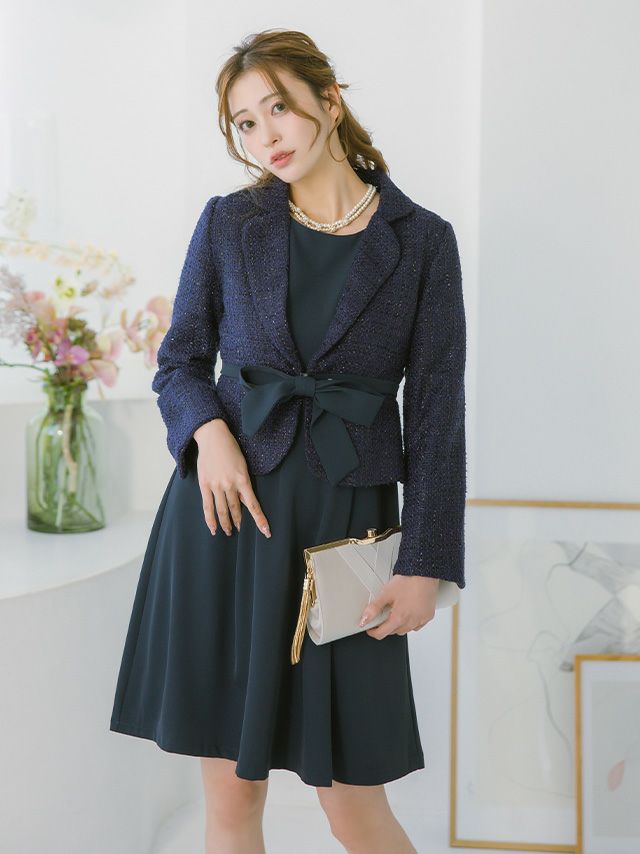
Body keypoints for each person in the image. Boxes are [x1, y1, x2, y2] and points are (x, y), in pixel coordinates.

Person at [110, 27, 467, 854]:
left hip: (343, 540)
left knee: (354, 806)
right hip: (226, 524)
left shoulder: (421, 240)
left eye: (279, 108)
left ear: (328, 102)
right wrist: (207, 434)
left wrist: (427, 562)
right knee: (232, 800)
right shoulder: (230, 223)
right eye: (244, 122)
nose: (264, 135)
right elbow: (180, 361)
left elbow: (438, 413)